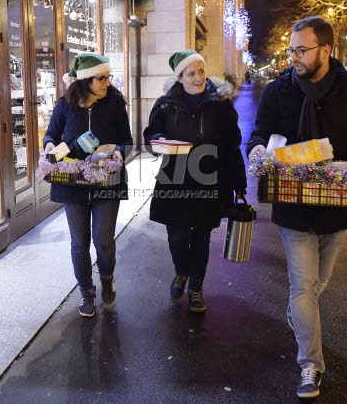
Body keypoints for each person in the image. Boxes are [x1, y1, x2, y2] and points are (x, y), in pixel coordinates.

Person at [246, 17, 347, 399]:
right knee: (303, 284)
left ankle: (298, 315)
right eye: (291, 49)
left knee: (318, 282)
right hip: (292, 203)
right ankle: (310, 364)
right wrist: (258, 149)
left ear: (326, 50)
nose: (293, 56)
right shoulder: (278, 91)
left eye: (301, 49)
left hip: (337, 203)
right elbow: (259, 133)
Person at [143, 49, 247, 312]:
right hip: (174, 180)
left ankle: (196, 289)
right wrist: (159, 143)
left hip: (211, 181)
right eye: (191, 73)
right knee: (177, 237)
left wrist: (239, 185)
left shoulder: (220, 103)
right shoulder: (166, 104)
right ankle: (181, 272)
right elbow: (150, 136)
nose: (199, 77)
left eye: (201, 71)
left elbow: (232, 145)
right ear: (180, 78)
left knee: (201, 238)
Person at [43, 53, 133, 318]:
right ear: (85, 81)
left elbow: (127, 139)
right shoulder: (64, 105)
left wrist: (119, 152)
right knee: (79, 243)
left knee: (103, 240)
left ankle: (106, 277)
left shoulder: (115, 104)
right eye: (101, 78)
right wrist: (49, 145)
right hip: (73, 181)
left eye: (108, 78)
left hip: (106, 179)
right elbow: (51, 134)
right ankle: (86, 293)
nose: (107, 83)